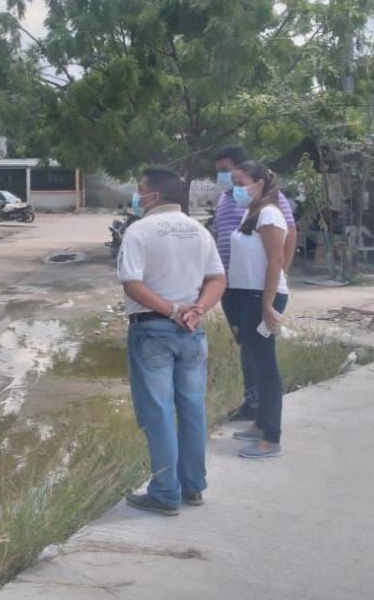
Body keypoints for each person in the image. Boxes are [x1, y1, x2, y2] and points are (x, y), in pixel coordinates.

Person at [117, 168, 227, 515]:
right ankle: (192, 487)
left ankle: (165, 493)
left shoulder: (139, 231)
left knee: (158, 412)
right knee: (192, 408)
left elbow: (132, 284)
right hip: (192, 333)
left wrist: (174, 311)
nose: (137, 197)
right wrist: (198, 311)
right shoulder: (199, 231)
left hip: (153, 331)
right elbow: (217, 278)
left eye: (139, 191)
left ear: (153, 196)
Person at [213, 146, 297, 422]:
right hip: (234, 287)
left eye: (228, 172)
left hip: (257, 289)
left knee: (262, 358)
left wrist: (276, 281)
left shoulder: (270, 206)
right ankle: (253, 406)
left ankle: (268, 425)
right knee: (247, 346)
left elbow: (283, 242)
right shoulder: (232, 203)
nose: (223, 178)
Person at [224, 162, 290, 459]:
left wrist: (267, 303)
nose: (236, 187)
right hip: (245, 296)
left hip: (260, 297)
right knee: (254, 360)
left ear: (259, 183)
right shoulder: (252, 212)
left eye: (241, 181)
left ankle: (272, 438)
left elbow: (276, 262)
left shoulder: (270, 213)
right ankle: (260, 425)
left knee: (266, 368)